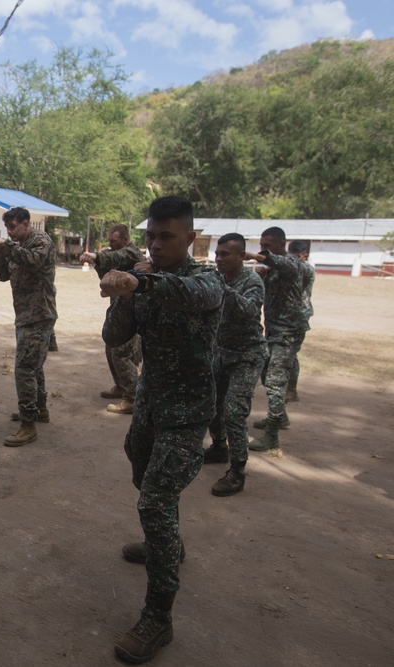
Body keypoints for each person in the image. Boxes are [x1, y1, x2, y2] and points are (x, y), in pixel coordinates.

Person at [100, 196, 223, 664]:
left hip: (188, 412)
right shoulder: (143, 278)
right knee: (140, 471)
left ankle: (158, 618)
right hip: (150, 406)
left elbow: (198, 297)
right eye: (152, 235)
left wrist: (142, 281)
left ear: (191, 238)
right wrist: (125, 295)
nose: (156, 243)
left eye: (166, 236)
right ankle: (164, 541)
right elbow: (115, 338)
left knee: (155, 499)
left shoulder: (204, 279)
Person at [202, 233, 267, 496]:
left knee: (234, 411)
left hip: (247, 356)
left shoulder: (251, 281)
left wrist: (223, 290)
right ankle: (219, 447)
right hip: (221, 352)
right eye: (217, 254)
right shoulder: (217, 278)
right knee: (211, 404)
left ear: (242, 256)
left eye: (225, 254)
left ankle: (237, 471)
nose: (219, 258)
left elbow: (250, 311)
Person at [0, 207, 57, 446]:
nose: (10, 231)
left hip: (39, 315)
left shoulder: (40, 240)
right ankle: (39, 409)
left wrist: (6, 246)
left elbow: (33, 262)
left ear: (27, 224)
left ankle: (28, 425)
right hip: (25, 316)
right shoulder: (15, 246)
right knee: (34, 366)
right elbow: (2, 275)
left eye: (14, 226)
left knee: (24, 369)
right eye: (7, 227)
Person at [247, 227, 308, 451]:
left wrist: (255, 256)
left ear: (282, 244)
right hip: (274, 329)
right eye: (261, 245)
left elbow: (283, 265)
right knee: (266, 372)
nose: (263, 249)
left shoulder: (292, 262)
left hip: (288, 331)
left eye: (267, 245)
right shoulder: (275, 268)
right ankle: (279, 416)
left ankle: (272, 435)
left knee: (274, 380)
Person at [81, 223, 143, 414]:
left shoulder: (132, 253)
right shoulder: (117, 253)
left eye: (115, 241)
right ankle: (121, 386)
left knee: (121, 354)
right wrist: (100, 261)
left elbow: (118, 256)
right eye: (110, 241)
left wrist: (98, 255)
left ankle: (132, 397)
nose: (112, 245)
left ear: (125, 239)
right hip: (118, 312)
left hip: (133, 314)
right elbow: (105, 278)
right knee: (111, 349)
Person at [286, 240, 313, 402]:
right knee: (288, 356)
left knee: (291, 355)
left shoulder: (306, 269)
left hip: (300, 318)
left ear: (305, 256)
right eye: (291, 257)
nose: (294, 260)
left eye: (297, 257)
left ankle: (291, 389)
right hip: (288, 319)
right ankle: (289, 388)